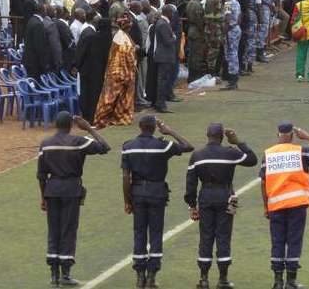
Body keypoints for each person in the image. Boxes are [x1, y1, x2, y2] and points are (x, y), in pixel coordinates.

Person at [37, 112, 111, 287]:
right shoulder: (78, 142)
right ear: (71, 126)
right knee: (68, 230)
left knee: (53, 230)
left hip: (52, 190)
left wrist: (43, 197)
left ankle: (54, 276)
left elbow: (41, 175)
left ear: (56, 124)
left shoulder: (45, 144)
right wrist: (89, 129)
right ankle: (66, 274)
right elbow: (105, 147)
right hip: (71, 190)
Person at [122, 115, 194, 288]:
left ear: (139, 126)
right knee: (156, 233)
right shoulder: (163, 145)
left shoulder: (128, 147)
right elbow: (188, 147)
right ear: (155, 128)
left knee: (139, 233)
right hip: (157, 193)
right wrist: (170, 132)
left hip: (137, 193)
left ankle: (140, 277)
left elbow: (125, 177)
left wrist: (127, 200)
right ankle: (152, 276)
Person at [185, 123, 258, 289]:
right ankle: (223, 279)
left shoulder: (197, 155)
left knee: (206, 237)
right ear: (222, 136)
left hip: (205, 196)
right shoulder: (230, 153)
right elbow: (252, 160)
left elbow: (190, 183)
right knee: (223, 236)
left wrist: (192, 205)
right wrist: (239, 142)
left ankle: (203, 279)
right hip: (224, 196)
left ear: (207, 135)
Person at [260, 122, 309, 289]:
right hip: (297, 204)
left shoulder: (268, 154)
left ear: (277, 134)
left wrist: (266, 207)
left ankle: (277, 281)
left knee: (277, 241)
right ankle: (291, 281)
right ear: (292, 135)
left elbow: (263, 183)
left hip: (276, 205)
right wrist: (307, 137)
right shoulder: (302, 151)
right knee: (294, 241)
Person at [94, 18, 137, 128]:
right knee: (109, 98)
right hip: (119, 73)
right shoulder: (121, 38)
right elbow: (126, 58)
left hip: (119, 72)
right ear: (127, 27)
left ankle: (120, 118)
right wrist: (128, 73)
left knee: (122, 98)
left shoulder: (122, 36)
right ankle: (101, 119)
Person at [153, 6, 177, 113]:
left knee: (163, 80)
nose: (173, 15)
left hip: (165, 56)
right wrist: (174, 38)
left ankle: (161, 103)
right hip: (164, 56)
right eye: (172, 13)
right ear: (168, 13)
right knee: (162, 81)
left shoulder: (162, 23)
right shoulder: (163, 24)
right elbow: (167, 41)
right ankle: (160, 104)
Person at [221, 0, 242, 90]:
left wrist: (224, 33)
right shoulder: (236, 2)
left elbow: (227, 20)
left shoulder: (228, 3)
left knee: (231, 54)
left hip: (231, 31)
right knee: (234, 53)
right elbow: (239, 18)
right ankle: (234, 79)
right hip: (236, 29)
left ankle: (232, 81)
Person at [186, 0, 206, 82]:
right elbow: (199, 21)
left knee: (192, 55)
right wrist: (203, 32)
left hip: (191, 30)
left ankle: (192, 75)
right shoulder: (197, 5)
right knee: (196, 55)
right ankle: (194, 76)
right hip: (196, 32)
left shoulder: (190, 3)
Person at [23, 4, 49, 79]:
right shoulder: (38, 24)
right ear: (42, 11)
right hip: (34, 62)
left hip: (30, 60)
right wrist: (44, 64)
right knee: (35, 84)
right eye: (45, 10)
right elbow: (39, 46)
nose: (46, 12)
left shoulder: (32, 20)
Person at [204, 0, 224, 75]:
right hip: (213, 30)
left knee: (216, 50)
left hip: (217, 28)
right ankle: (210, 73)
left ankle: (214, 71)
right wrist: (212, 34)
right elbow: (210, 18)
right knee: (212, 52)